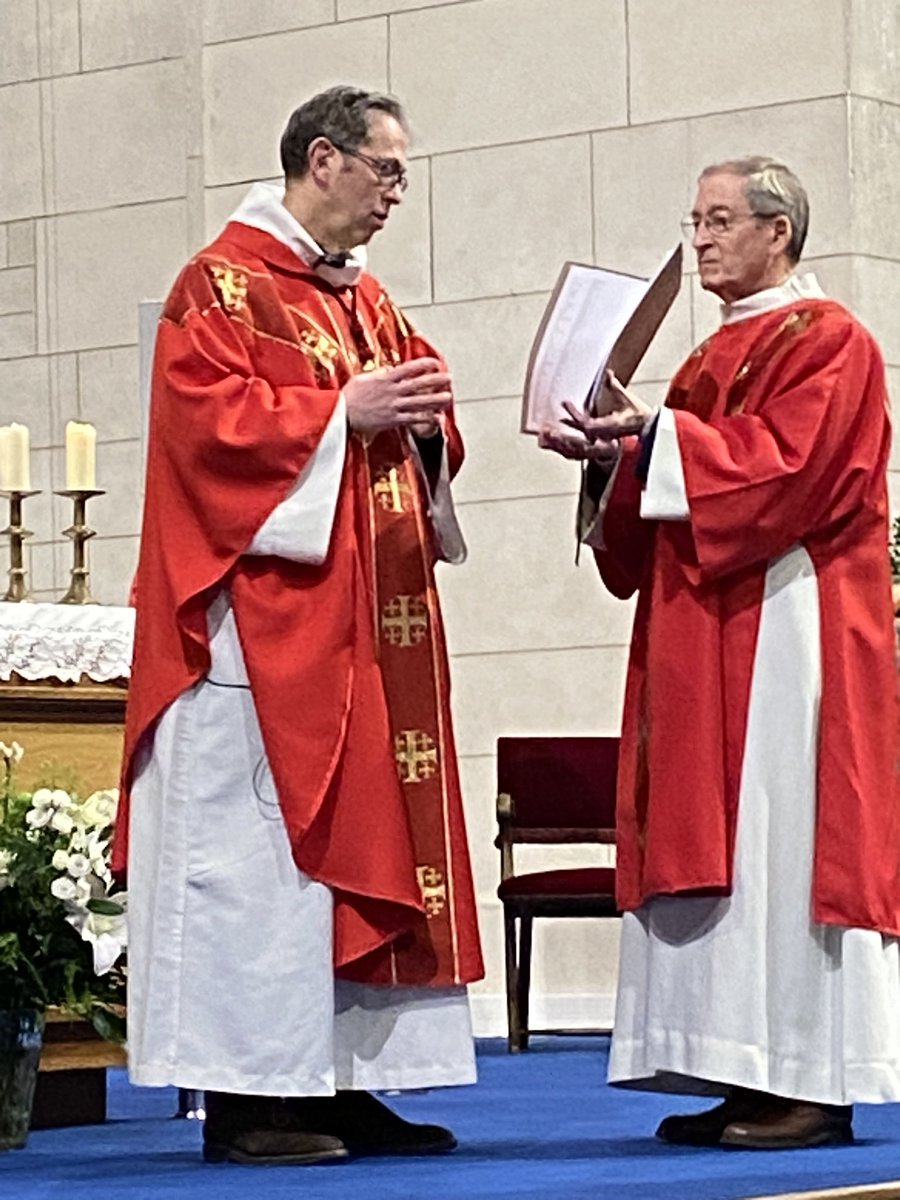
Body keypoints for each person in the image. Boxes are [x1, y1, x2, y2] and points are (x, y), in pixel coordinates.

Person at [115, 85, 484, 1167]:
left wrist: (423, 420)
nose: (395, 193)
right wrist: (342, 414)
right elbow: (207, 436)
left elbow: (418, 430)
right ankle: (250, 1099)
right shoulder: (219, 285)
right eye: (386, 170)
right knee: (261, 865)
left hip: (368, 635)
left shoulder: (364, 303)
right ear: (322, 161)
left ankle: (354, 1082)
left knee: (368, 850)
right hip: (252, 640)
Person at [539, 157, 900, 1150]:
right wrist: (612, 454)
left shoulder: (832, 342)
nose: (698, 237)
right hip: (707, 629)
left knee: (781, 840)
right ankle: (742, 1070)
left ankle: (810, 1083)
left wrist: (659, 440)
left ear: (778, 231)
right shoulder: (708, 359)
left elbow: (793, 471)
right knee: (723, 846)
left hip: (792, 625)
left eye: (719, 219)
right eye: (694, 218)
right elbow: (665, 485)